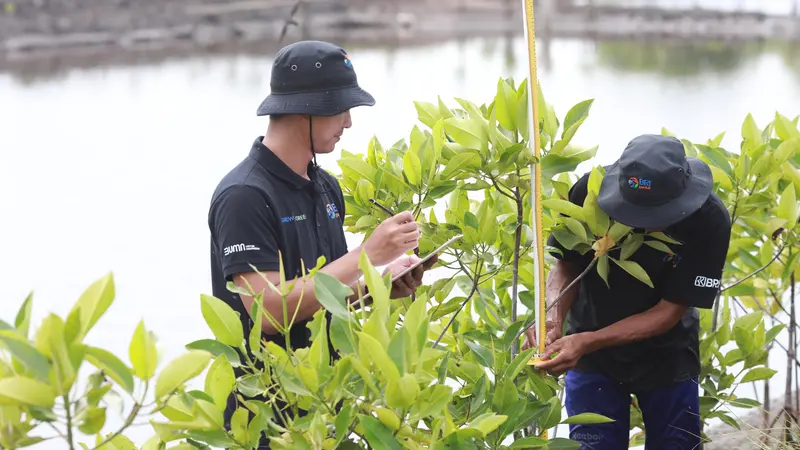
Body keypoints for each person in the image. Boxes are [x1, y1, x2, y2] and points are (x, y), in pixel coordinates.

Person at [207, 40, 435, 447]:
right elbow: (269, 311)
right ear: (303, 108)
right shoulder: (244, 196)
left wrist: (373, 288)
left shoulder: (325, 187)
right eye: (340, 108)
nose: (348, 122)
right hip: (266, 419)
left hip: (327, 407)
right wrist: (366, 255)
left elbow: (320, 298)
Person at [525, 134, 731, 449]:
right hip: (591, 353)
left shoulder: (708, 219)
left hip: (668, 355)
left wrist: (585, 342)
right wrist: (552, 317)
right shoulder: (587, 193)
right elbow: (566, 265)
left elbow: (669, 311)